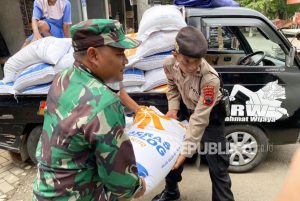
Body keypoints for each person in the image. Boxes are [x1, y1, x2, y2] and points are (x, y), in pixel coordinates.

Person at [32, 19, 146, 201]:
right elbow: (121, 181)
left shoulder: (64, 77)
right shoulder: (104, 103)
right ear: (93, 55)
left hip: (45, 191)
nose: (125, 60)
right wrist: (137, 186)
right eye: (119, 53)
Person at [152, 26, 234, 201]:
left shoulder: (210, 79)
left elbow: (200, 118)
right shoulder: (169, 65)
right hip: (187, 110)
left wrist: (186, 151)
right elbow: (172, 87)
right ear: (176, 55)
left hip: (211, 117)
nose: (193, 66)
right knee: (171, 153)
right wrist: (173, 109)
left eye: (197, 61)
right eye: (187, 61)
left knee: (218, 162)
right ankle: (171, 191)